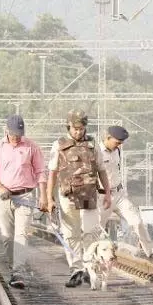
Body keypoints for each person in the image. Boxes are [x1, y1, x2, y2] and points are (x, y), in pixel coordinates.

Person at [46, 110, 113, 288]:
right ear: (68, 127)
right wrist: (49, 198)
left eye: (81, 128)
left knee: (91, 233)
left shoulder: (93, 144)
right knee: (71, 235)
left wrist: (107, 193)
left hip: (89, 194)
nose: (78, 132)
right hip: (67, 195)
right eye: (75, 129)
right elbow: (52, 173)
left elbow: (101, 170)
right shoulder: (58, 145)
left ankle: (89, 269)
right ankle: (76, 270)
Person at [0, 114, 47, 288]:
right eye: (13, 133)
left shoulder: (31, 147)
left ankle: (18, 271)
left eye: (19, 133)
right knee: (8, 237)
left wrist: (43, 196)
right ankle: (14, 267)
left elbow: (41, 171)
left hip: (25, 196)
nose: (16, 137)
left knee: (21, 234)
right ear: (6, 130)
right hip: (4, 197)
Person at [98, 125, 153, 263]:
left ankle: (151, 252)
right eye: (117, 142)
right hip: (102, 196)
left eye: (121, 143)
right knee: (97, 229)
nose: (120, 146)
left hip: (119, 194)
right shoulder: (96, 152)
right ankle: (94, 261)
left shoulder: (117, 151)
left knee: (137, 221)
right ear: (108, 138)